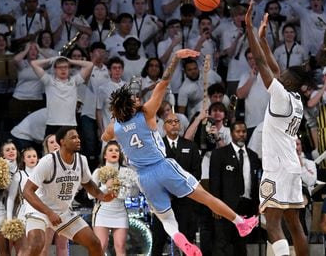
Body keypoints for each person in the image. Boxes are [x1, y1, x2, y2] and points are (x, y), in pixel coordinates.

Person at [101, 48, 258, 256]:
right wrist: (175, 58)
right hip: (162, 166)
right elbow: (164, 83)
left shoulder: (116, 128)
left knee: (166, 219)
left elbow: (104, 136)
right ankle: (240, 223)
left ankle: (180, 240)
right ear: (130, 105)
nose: (138, 99)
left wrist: (116, 116)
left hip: (143, 177)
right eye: (134, 99)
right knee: (204, 197)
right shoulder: (146, 113)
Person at [245, 0, 309, 256]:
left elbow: (261, 64)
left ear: (288, 83)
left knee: (271, 224)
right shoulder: (295, 99)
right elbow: (273, 66)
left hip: (277, 167)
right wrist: (264, 40)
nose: (278, 76)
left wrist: (248, 27)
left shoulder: (281, 95)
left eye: (283, 77)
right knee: (295, 225)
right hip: (291, 166)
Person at [20, 126, 116, 256]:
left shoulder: (81, 160)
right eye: (73, 137)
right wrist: (49, 212)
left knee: (95, 243)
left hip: (63, 212)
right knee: (36, 245)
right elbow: (27, 191)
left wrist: (102, 196)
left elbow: (87, 183)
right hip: (39, 211)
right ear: (62, 142)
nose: (78, 140)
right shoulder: (48, 162)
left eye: (78, 137)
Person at [150, 111, 202, 255]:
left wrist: (180, 189)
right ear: (164, 126)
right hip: (163, 202)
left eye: (176, 121)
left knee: (187, 241)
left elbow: (196, 173)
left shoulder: (190, 146)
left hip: (185, 201)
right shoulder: (156, 146)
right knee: (158, 241)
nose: (174, 124)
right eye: (170, 122)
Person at [209, 121, 262, 256]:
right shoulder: (219, 154)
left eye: (243, 132)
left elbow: (256, 182)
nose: (241, 135)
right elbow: (214, 182)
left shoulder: (253, 156)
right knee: (222, 243)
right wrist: (215, 205)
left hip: (247, 206)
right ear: (232, 133)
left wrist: (257, 206)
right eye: (238, 132)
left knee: (241, 245)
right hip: (225, 206)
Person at [90, 141, 134, 255]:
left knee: (120, 246)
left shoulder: (127, 171)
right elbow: (90, 195)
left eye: (116, 150)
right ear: (105, 155)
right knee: (101, 245)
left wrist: (123, 189)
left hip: (120, 212)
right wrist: (105, 187)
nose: (114, 152)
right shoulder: (98, 171)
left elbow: (134, 193)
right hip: (102, 212)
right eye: (110, 150)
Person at [6, 147, 40, 254]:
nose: (32, 159)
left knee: (38, 248)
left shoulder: (43, 175)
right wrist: (9, 219)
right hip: (23, 215)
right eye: (28, 156)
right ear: (24, 159)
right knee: (24, 248)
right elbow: (11, 198)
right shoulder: (19, 175)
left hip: (40, 214)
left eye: (34, 156)